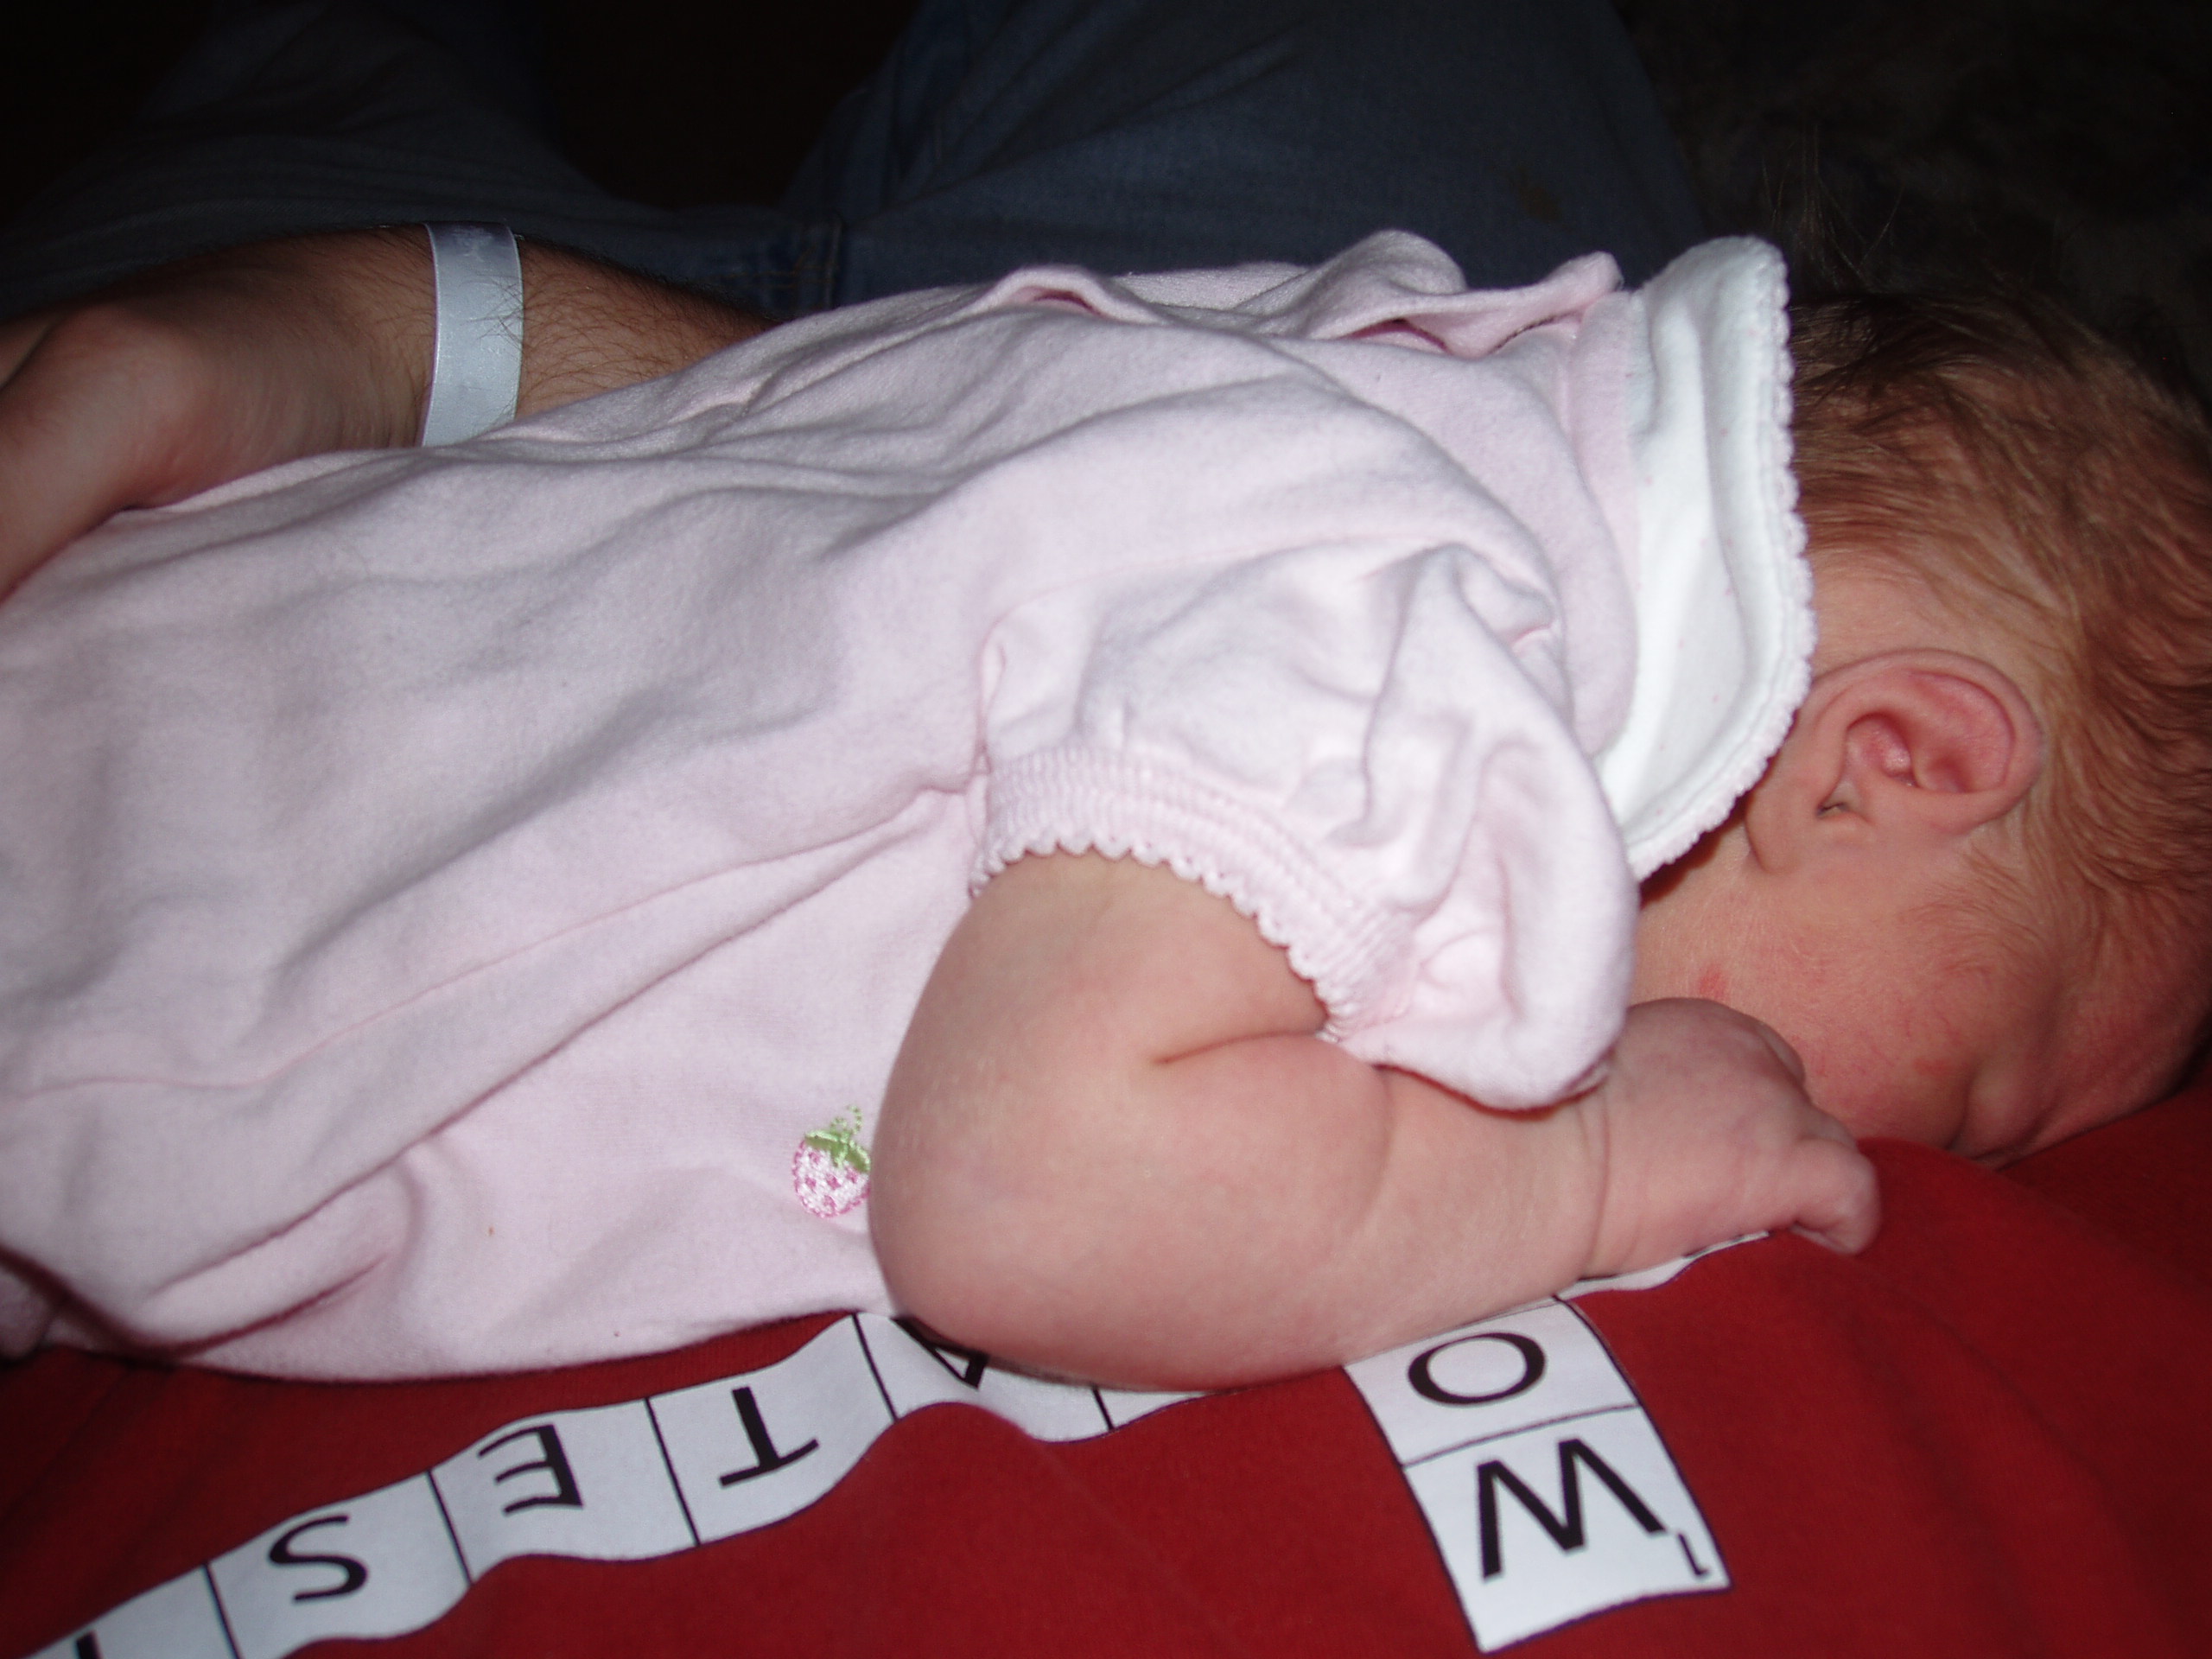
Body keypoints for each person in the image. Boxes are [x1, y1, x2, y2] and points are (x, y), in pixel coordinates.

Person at [0, 0, 2206, 1392]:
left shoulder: (1370, 372)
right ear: (1897, 758)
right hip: (117, 983)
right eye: (1982, 1095)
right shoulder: (1408, 635)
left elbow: (839, 421)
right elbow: (1016, 1193)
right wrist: (1597, 1165)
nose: (1934, 1166)